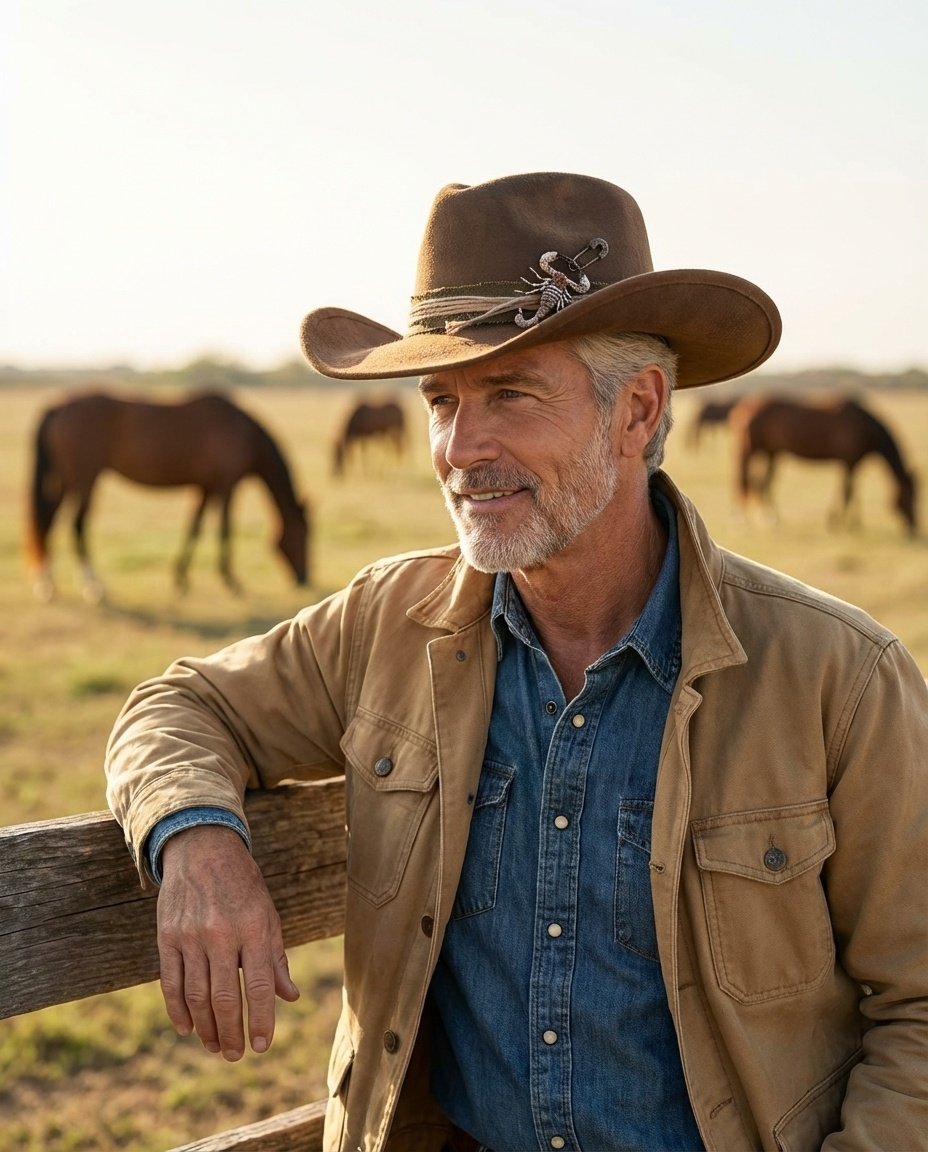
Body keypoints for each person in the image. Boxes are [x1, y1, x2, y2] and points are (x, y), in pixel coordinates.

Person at [105, 172, 928, 1152]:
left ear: (637, 412)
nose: (460, 448)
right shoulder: (386, 622)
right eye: (440, 399)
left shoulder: (840, 677)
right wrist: (198, 840)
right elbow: (179, 705)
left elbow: (919, 1007)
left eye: (510, 393)